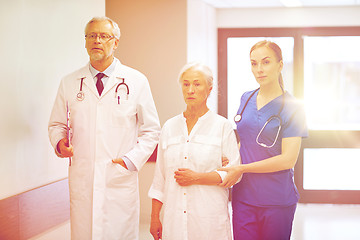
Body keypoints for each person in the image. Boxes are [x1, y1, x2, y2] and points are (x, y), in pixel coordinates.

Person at [48, 16, 160, 240]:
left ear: (115, 42)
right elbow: (57, 124)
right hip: (84, 178)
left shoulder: (136, 81)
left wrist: (131, 160)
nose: (96, 40)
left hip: (118, 178)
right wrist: (60, 143)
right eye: (91, 35)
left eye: (103, 36)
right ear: (85, 42)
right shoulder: (69, 82)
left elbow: (152, 130)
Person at [218, 40, 308, 240]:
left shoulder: (293, 107)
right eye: (254, 63)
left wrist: (242, 168)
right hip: (244, 197)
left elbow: (288, 160)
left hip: (276, 199)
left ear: (280, 65)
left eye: (266, 62)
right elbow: (243, 141)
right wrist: (233, 161)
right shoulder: (246, 98)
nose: (259, 69)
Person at [148, 62, 240, 240]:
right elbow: (160, 179)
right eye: (186, 84)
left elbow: (234, 174)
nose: (190, 89)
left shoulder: (222, 126)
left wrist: (197, 177)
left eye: (197, 84)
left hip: (209, 222)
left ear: (209, 88)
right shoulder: (169, 127)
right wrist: (154, 218)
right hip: (174, 221)